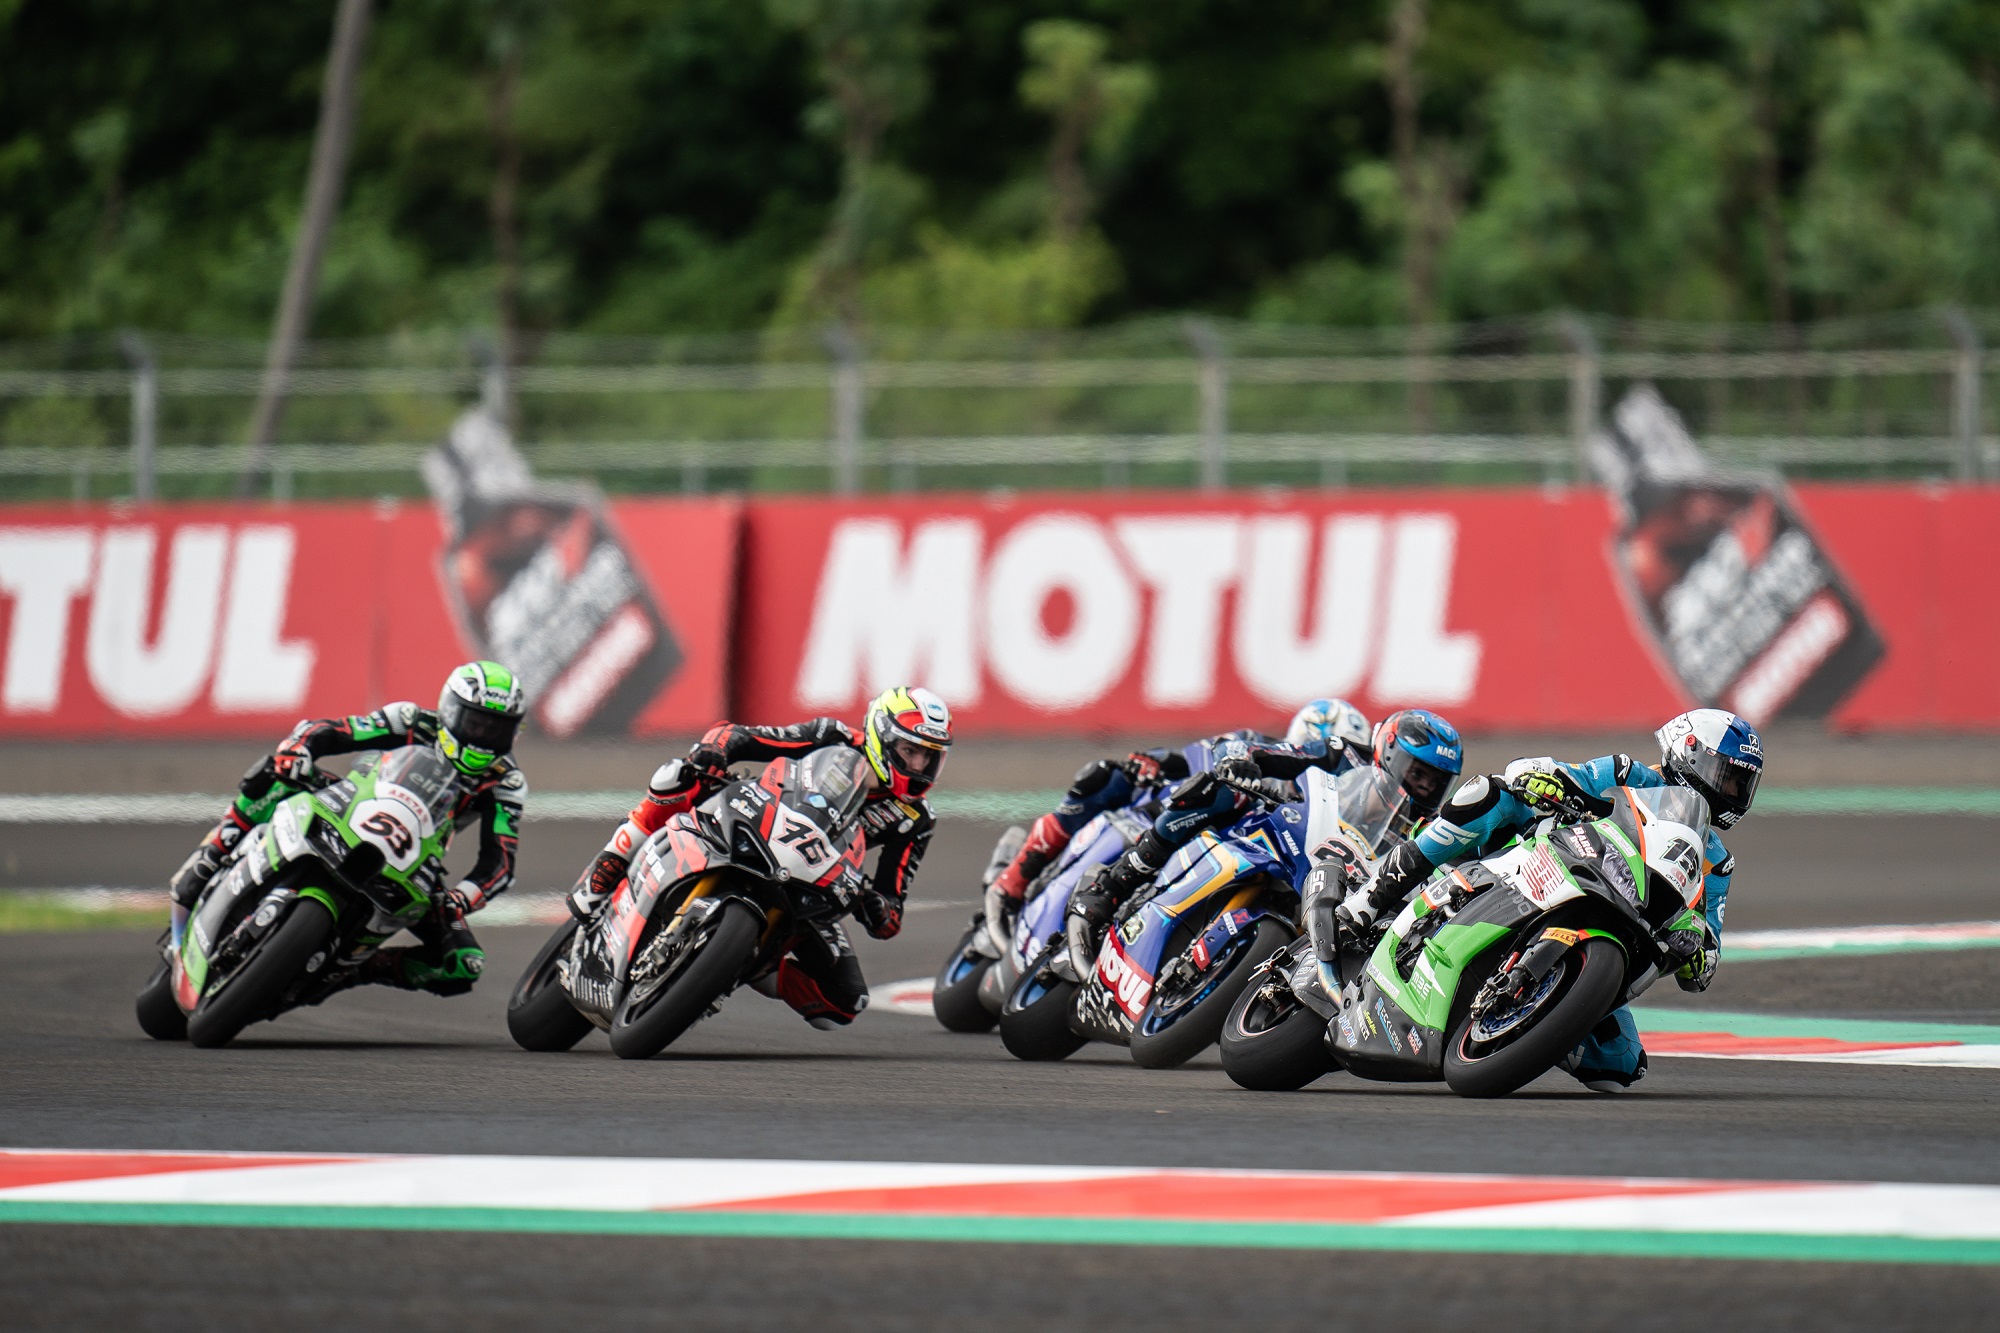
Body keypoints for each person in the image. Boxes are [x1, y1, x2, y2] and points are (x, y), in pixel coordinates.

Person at [1336, 707, 1763, 1092]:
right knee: (1491, 793)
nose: (1732, 790)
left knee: (1620, 1064)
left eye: (1742, 783)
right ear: (1690, 754)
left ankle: (1534, 1020)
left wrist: (1698, 952)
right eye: (1727, 775)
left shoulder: (1718, 864)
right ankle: (1372, 897)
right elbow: (1557, 772)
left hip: (1617, 924)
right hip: (1541, 862)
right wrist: (1546, 780)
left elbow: (1707, 952)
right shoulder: (1627, 773)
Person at [567, 685, 953, 1030]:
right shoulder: (832, 737)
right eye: (910, 751)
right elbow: (739, 735)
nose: (919, 767)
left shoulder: (916, 820)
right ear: (882, 738)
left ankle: (745, 964)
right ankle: (613, 858)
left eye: (930, 757)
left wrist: (877, 908)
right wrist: (715, 750)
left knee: (845, 1000)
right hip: (756, 818)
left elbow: (891, 911)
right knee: (680, 775)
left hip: (814, 877)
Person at [166, 661, 529, 997]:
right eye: (475, 723)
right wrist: (299, 750)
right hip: (349, 803)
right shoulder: (410, 721)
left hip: (416, 859)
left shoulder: (505, 782)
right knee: (276, 776)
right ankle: (211, 855)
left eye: (496, 729)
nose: (483, 736)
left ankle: (356, 970)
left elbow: (499, 863)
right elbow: (332, 731)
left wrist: (460, 898)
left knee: (463, 964)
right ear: (449, 710)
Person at [1066, 707, 1456, 947]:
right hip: (1288, 834)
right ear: (1388, 752)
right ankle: (1114, 884)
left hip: (1335, 890)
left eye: (1436, 782)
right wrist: (1239, 759)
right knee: (1220, 792)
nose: (1424, 787)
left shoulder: (1427, 828)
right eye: (1417, 772)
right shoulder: (1344, 754)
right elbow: (1274, 753)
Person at [986, 700, 1372, 906]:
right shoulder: (1260, 747)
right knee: (1106, 776)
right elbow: (1196, 756)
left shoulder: (1340, 812)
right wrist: (1157, 762)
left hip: (1265, 864)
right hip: (1193, 829)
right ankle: (1019, 876)